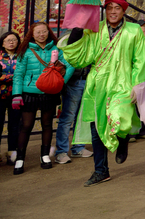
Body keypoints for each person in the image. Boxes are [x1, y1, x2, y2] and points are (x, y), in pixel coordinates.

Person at [61, 0, 145, 186]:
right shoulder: (95, 30)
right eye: (109, 7)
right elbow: (79, 57)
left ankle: (122, 139)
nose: (113, 11)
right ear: (105, 10)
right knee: (96, 129)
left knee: (121, 118)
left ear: (124, 11)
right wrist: (78, 28)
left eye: (117, 8)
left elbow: (140, 60)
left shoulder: (134, 30)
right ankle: (101, 171)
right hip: (97, 84)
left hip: (123, 83)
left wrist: (137, 86)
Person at [11, 22, 73, 175]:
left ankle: (45, 155)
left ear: (48, 32)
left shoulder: (56, 48)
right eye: (38, 32)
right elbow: (18, 74)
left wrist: (60, 83)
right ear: (32, 34)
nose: (41, 35)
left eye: (44, 31)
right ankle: (20, 158)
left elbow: (70, 65)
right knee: (26, 126)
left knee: (47, 124)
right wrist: (17, 94)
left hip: (49, 93)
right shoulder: (25, 51)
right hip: (29, 92)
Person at [55, 53, 93, 162]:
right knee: (68, 117)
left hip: (89, 80)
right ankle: (61, 151)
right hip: (73, 81)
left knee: (83, 116)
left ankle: (78, 147)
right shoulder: (69, 37)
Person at [1, 31, 22, 166]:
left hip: (16, 95)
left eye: (14, 40)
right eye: (8, 40)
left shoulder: (22, 55)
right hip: (0, 96)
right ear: (3, 42)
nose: (11, 42)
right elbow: (19, 75)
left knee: (15, 125)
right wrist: (14, 77)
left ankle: (11, 153)